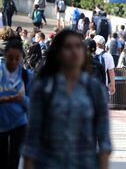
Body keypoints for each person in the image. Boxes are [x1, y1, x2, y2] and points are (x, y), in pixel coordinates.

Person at [22, 30, 112, 168]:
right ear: (58, 53)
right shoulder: (44, 88)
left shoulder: (94, 89)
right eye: (68, 47)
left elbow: (104, 138)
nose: (74, 51)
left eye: (78, 46)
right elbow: (33, 136)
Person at [0, 37, 34, 169]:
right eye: (10, 58)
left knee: (14, 160)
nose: (14, 62)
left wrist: (22, 99)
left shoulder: (27, 75)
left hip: (19, 125)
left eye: (17, 58)